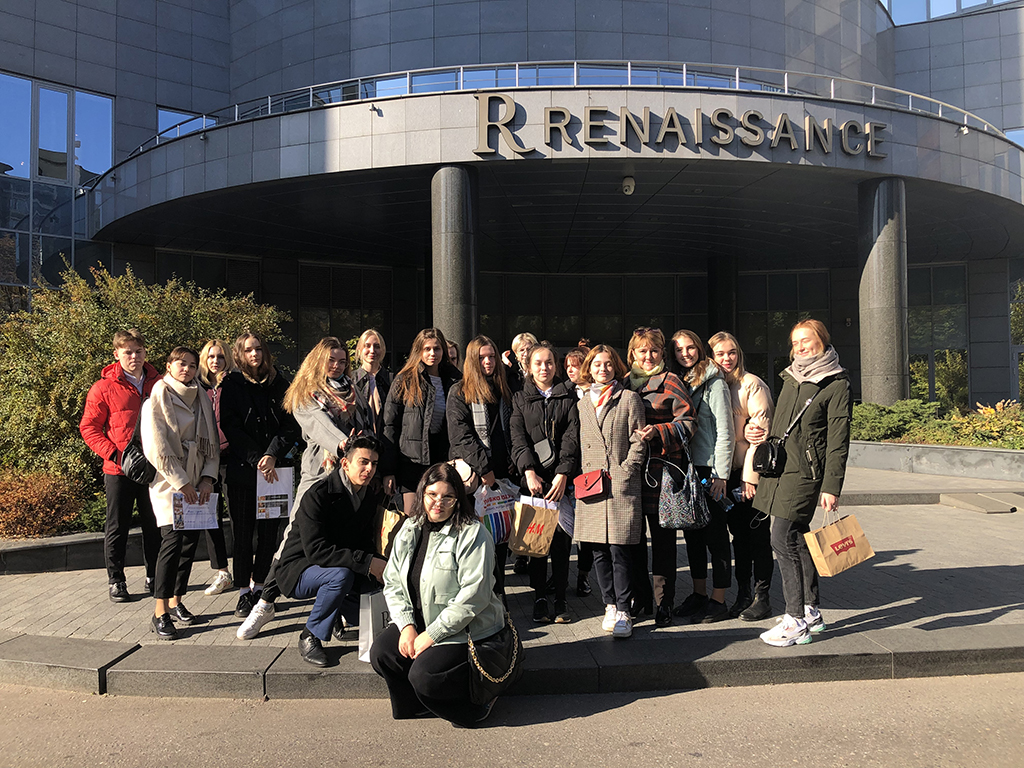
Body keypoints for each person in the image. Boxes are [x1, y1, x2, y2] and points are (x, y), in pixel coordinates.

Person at [236, 336, 373, 640]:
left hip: (353, 477)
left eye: (342, 361)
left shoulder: (354, 391)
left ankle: (335, 612)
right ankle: (265, 602)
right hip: (321, 475)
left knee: (342, 539)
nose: (337, 366)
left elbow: (369, 428)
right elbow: (321, 428)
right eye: (331, 360)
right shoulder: (306, 393)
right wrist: (346, 444)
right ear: (318, 360)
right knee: (293, 540)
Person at [370, 462, 507, 727]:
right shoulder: (409, 528)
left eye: (448, 497)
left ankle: (474, 703)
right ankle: (420, 703)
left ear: (458, 499)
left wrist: (432, 634)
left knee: (425, 675)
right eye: (432, 494)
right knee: (382, 653)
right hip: (421, 618)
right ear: (422, 493)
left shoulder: (473, 533)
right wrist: (407, 625)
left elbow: (474, 595)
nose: (438, 503)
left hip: (466, 627)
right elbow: (393, 582)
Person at [754, 320, 851, 647]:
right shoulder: (791, 376)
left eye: (806, 340)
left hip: (806, 474)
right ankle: (810, 610)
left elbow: (838, 440)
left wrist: (831, 486)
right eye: (795, 342)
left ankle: (794, 620)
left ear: (822, 340)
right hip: (781, 469)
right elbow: (782, 426)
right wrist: (760, 433)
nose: (800, 347)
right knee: (796, 538)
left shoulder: (836, 383)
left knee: (781, 538)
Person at [272, 434, 387, 666]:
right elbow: (316, 551)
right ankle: (310, 635)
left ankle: (338, 619)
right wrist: (367, 563)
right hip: (299, 568)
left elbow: (363, 542)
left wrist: (378, 566)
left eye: (374, 464)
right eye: (363, 462)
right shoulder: (318, 495)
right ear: (345, 463)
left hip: (338, 565)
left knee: (373, 585)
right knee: (340, 577)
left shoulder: (368, 496)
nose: (369, 469)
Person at [140, 347, 220, 639]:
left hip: (197, 479)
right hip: (169, 481)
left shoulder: (201, 397)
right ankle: (159, 611)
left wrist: (207, 479)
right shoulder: (156, 397)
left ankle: (176, 601)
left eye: (192, 365)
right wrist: (182, 482)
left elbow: (211, 442)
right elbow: (156, 447)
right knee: (171, 543)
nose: (186, 369)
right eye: (181, 363)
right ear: (169, 365)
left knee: (189, 544)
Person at [219, 331, 300, 619]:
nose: (254, 354)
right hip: (244, 471)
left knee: (269, 534)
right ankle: (244, 591)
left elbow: (291, 424)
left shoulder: (281, 383)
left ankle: (261, 587)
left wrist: (272, 454)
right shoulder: (231, 384)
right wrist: (257, 458)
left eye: (258, 349)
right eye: (248, 350)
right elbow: (230, 426)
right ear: (240, 354)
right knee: (242, 534)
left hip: (275, 472)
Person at [80, 329, 161, 602]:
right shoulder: (103, 387)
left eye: (138, 351)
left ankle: (154, 576)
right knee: (117, 526)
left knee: (155, 524)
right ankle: (116, 580)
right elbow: (89, 428)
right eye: (128, 352)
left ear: (145, 352)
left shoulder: (159, 383)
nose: (134, 357)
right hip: (118, 470)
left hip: (154, 467)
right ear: (116, 354)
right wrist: (116, 456)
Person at [574, 344, 646, 639]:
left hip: (619, 484)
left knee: (620, 550)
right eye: (596, 364)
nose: (602, 369)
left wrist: (627, 469)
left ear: (616, 366)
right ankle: (609, 605)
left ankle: (625, 609)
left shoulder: (628, 398)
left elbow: (639, 440)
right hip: (591, 485)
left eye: (607, 364)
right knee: (598, 551)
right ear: (588, 369)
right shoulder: (582, 404)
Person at [626, 327, 696, 627]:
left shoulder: (671, 381)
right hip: (631, 475)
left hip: (662, 474)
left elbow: (689, 422)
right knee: (633, 541)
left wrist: (659, 431)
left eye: (654, 350)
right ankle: (640, 596)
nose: (648, 356)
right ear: (633, 353)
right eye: (642, 350)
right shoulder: (623, 383)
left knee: (663, 543)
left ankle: (663, 602)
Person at [509, 341, 580, 624]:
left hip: (560, 481)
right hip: (533, 481)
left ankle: (560, 598)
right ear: (528, 367)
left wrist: (563, 473)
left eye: (549, 362)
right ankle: (539, 596)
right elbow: (518, 437)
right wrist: (528, 471)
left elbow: (571, 437)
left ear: (556, 365)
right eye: (538, 363)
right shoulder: (520, 398)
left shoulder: (568, 396)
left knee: (561, 542)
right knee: (535, 542)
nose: (544, 368)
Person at [709, 331, 776, 621]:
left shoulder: (752, 384)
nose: (727, 358)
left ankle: (763, 597)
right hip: (727, 476)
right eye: (720, 353)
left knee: (757, 537)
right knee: (738, 538)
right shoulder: (713, 385)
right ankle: (744, 593)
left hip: (750, 476)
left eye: (732, 352)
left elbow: (760, 435)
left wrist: (750, 477)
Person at [671, 330, 735, 624]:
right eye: (679, 349)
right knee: (692, 535)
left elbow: (725, 431)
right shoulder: (679, 380)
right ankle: (698, 594)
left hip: (710, 470)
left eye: (690, 347)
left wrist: (721, 474)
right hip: (687, 468)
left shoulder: (714, 382)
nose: (685, 353)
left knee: (716, 536)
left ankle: (718, 599)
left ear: (699, 348)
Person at [447, 335, 515, 597]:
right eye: (482, 357)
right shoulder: (460, 391)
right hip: (475, 480)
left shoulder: (504, 388)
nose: (488, 362)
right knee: (474, 544)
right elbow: (461, 437)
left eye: (491, 356)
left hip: (502, 477)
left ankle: (498, 599)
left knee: (499, 540)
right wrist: (485, 469)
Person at [382, 328, 461, 515]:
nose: (432, 353)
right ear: (419, 351)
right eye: (427, 349)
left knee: (439, 516)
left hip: (441, 459)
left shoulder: (454, 380)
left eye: (437, 349)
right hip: (411, 461)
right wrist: (388, 470)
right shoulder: (404, 380)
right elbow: (390, 426)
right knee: (413, 518)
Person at [197, 339, 233, 596]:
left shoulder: (234, 384)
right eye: (211, 356)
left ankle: (246, 569)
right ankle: (222, 572)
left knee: (239, 517)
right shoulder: (196, 387)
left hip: (230, 457)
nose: (215, 361)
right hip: (204, 460)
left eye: (220, 356)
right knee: (210, 517)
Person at [562, 343, 593, 597]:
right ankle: (559, 576)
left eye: (576, 365)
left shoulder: (596, 392)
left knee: (586, 530)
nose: (571, 370)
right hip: (569, 467)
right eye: (568, 366)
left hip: (590, 468)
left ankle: (583, 575)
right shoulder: (564, 392)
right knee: (563, 526)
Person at [352, 328, 392, 435]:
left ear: (382, 350)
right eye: (367, 346)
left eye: (377, 346)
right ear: (360, 349)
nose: (372, 350)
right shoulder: (351, 380)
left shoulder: (391, 380)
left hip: (387, 440)